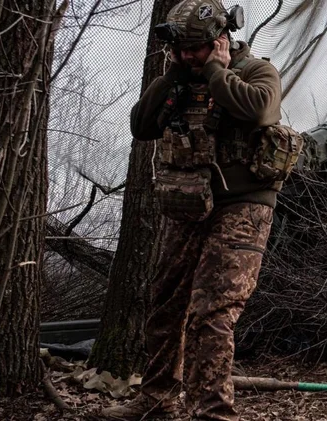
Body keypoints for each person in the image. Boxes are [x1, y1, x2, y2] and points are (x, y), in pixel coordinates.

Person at [101, 0, 283, 419]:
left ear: (221, 40)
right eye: (181, 48)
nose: (187, 55)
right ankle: (157, 400)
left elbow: (259, 110)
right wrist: (172, 77)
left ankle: (211, 412)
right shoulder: (179, 78)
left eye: (195, 48)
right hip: (188, 203)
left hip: (242, 206)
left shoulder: (256, 71)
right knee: (166, 302)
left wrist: (217, 71)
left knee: (213, 311)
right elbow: (142, 126)